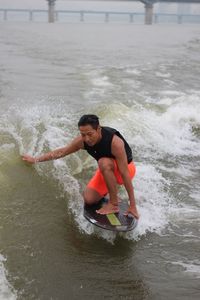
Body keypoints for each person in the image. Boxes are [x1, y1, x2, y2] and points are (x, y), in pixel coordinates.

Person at [22, 114, 139, 219]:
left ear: (98, 129)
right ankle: (110, 191)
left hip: (126, 170)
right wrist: (35, 159)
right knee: (89, 199)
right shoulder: (82, 141)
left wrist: (133, 205)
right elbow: (62, 152)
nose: (87, 139)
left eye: (90, 134)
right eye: (83, 134)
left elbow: (124, 173)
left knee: (103, 162)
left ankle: (113, 204)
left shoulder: (115, 142)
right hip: (106, 170)